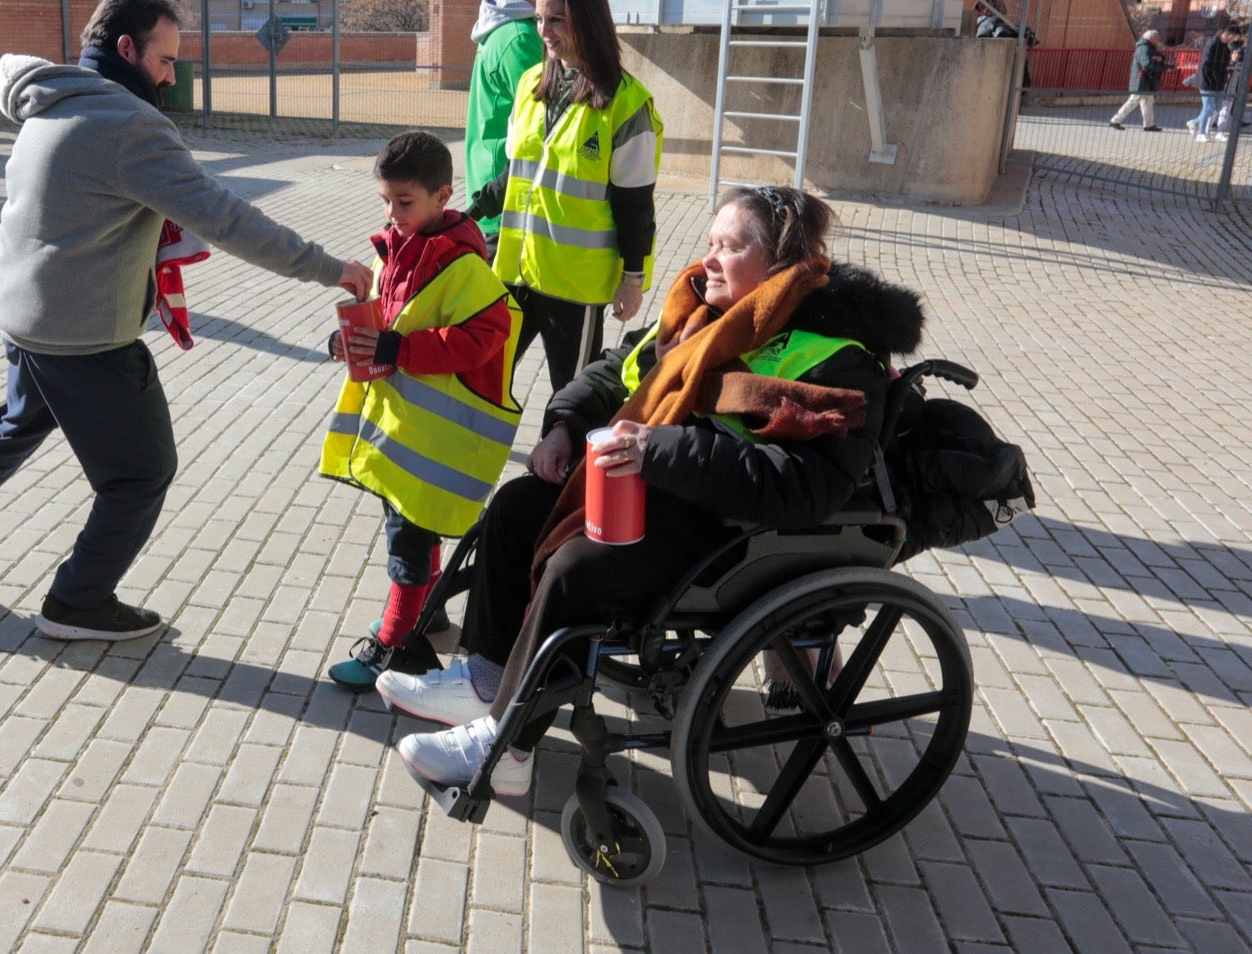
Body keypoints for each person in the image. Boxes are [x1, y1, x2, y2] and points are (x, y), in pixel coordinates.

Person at [377, 185, 925, 796]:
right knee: (515, 509)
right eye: (711, 242)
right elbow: (616, 371)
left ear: (779, 263)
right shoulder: (700, 318)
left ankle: (508, 747)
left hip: (732, 532)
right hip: (664, 493)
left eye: (730, 246)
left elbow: (805, 486)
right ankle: (485, 677)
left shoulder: (836, 359)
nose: (709, 258)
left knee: (578, 567)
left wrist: (657, 450)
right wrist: (564, 425)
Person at [0, 0, 373, 641]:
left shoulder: (50, 103)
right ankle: (78, 601)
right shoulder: (128, 125)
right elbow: (227, 218)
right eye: (165, 61)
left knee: (15, 426)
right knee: (142, 472)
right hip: (83, 337)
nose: (171, 77)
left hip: (27, 316)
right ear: (127, 49)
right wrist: (330, 267)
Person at [321, 131, 523, 689]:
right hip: (406, 435)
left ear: (443, 195)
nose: (392, 213)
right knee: (412, 531)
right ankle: (428, 618)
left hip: (437, 442)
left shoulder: (464, 269)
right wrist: (355, 342)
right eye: (385, 201)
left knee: (407, 543)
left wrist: (398, 349)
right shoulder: (399, 250)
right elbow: (395, 318)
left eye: (404, 202)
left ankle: (395, 644)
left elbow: (482, 337)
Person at [469, 0, 663, 393]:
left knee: (569, 400)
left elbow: (635, 207)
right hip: (515, 270)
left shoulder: (627, 105)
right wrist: (466, 217)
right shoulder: (531, 83)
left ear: (587, 20)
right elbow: (515, 172)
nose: (544, 30)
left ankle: (559, 463)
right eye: (539, 18)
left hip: (575, 286)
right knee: (481, 379)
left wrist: (632, 282)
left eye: (556, 19)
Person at [464, 0, 559, 259]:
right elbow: (546, 111)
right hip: (507, 193)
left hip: (497, 187)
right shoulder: (520, 36)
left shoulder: (504, 30)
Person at [1186, 25, 1240, 142]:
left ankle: (1193, 122)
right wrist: (1221, 68)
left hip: (1219, 82)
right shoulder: (1212, 43)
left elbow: (1223, 63)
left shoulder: (1225, 48)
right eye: (1235, 37)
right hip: (1207, 81)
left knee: (1216, 108)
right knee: (1208, 106)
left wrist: (1227, 67)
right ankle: (1201, 133)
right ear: (1230, 34)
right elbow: (1206, 64)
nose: (1235, 40)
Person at [1108, 29, 1167, 132]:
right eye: (1157, 37)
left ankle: (1149, 125)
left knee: (1148, 102)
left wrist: (1159, 58)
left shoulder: (1148, 47)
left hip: (1146, 81)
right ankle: (1115, 120)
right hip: (1141, 80)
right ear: (1151, 37)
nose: (1158, 39)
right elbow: (1147, 64)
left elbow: (1155, 57)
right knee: (1133, 102)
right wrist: (1161, 65)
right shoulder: (1144, 48)